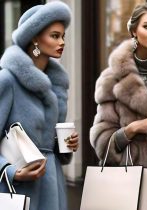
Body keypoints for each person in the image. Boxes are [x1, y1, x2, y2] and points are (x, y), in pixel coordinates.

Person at [90, 2, 147, 210]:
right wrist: (133, 128)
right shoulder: (111, 79)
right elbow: (102, 140)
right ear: (133, 30)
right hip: (130, 181)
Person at [0, 2, 79, 210]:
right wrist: (11, 172)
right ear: (35, 38)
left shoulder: (56, 85)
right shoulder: (8, 81)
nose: (62, 42)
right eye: (55, 36)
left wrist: (65, 144)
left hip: (52, 185)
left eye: (63, 36)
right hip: (17, 191)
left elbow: (49, 142)